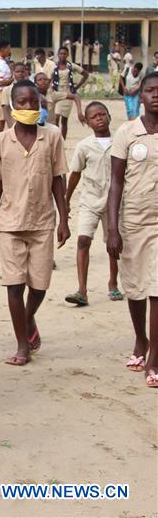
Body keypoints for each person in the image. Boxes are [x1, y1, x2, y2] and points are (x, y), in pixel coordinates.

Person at [0, 79, 70, 366]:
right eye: (22, 102)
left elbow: (58, 179)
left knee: (40, 285)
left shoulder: (52, 137)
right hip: (9, 223)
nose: (29, 106)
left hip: (43, 221)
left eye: (34, 101)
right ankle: (22, 344)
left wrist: (64, 218)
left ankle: (28, 317)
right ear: (12, 105)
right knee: (14, 285)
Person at [106, 72, 158, 385]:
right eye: (150, 90)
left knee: (157, 288)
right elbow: (115, 183)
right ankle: (141, 339)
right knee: (136, 288)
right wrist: (112, 228)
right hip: (134, 221)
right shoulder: (127, 133)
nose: (156, 95)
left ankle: (155, 357)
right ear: (140, 95)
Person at [64, 102, 121, 307]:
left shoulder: (120, 143)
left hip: (114, 202)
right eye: (94, 117)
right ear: (87, 122)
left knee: (112, 244)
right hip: (90, 199)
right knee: (83, 241)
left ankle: (113, 282)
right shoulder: (84, 146)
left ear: (109, 117)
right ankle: (82, 290)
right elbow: (75, 174)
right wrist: (66, 199)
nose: (99, 118)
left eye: (102, 114)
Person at [53, 46, 89, 138]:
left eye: (64, 54)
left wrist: (77, 86)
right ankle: (56, 138)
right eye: (60, 53)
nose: (62, 55)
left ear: (67, 55)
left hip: (68, 93)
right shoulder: (54, 66)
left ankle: (62, 140)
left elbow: (85, 74)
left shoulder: (71, 66)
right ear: (58, 54)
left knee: (64, 120)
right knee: (56, 117)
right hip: (57, 93)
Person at [0, 63, 30, 132]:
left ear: (26, 72)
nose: (20, 74)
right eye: (17, 72)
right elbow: (5, 108)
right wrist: (10, 125)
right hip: (12, 122)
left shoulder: (30, 88)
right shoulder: (7, 89)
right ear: (13, 73)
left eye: (22, 72)